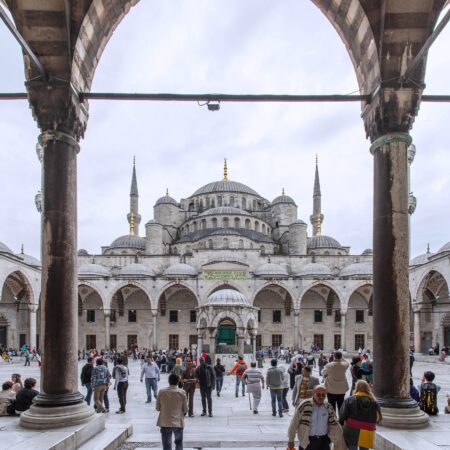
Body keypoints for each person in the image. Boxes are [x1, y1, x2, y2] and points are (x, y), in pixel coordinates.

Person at [287, 385, 343, 450]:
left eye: (323, 395)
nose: (321, 397)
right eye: (318, 394)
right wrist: (291, 440)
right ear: (313, 393)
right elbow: (294, 423)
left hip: (324, 441)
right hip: (306, 441)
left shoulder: (328, 407)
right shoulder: (304, 405)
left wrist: (331, 438)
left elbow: (334, 423)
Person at [339, 380, 381, 450]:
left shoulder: (350, 400)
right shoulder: (374, 402)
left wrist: (341, 424)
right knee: (364, 448)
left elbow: (342, 415)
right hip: (368, 429)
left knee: (352, 446)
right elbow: (378, 418)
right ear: (368, 388)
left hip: (352, 428)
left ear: (356, 388)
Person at [156, 373, 188, 450]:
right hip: (178, 422)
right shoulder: (182, 392)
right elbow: (186, 409)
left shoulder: (161, 392)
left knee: (166, 445)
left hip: (165, 421)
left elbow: (158, 408)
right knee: (179, 443)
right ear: (177, 382)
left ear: (169, 381)